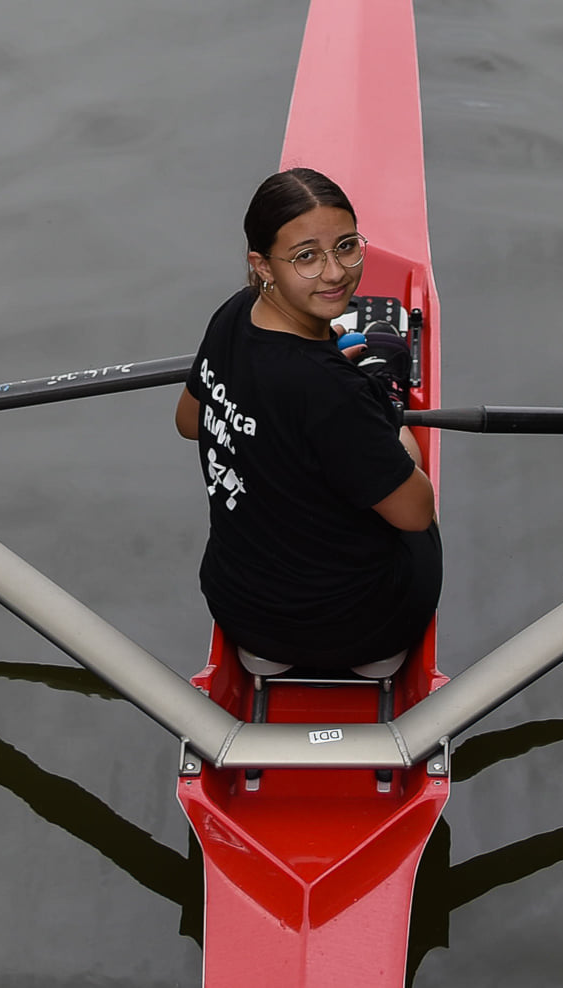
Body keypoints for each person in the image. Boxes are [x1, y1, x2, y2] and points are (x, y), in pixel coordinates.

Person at [174, 167, 441, 672]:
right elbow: (415, 512)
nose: (335, 272)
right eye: (306, 257)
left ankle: (266, 656)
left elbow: (190, 421)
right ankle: (376, 658)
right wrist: (383, 409)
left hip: (240, 610)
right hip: (360, 626)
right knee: (415, 498)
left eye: (346, 247)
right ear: (263, 264)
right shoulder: (336, 394)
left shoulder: (232, 315)